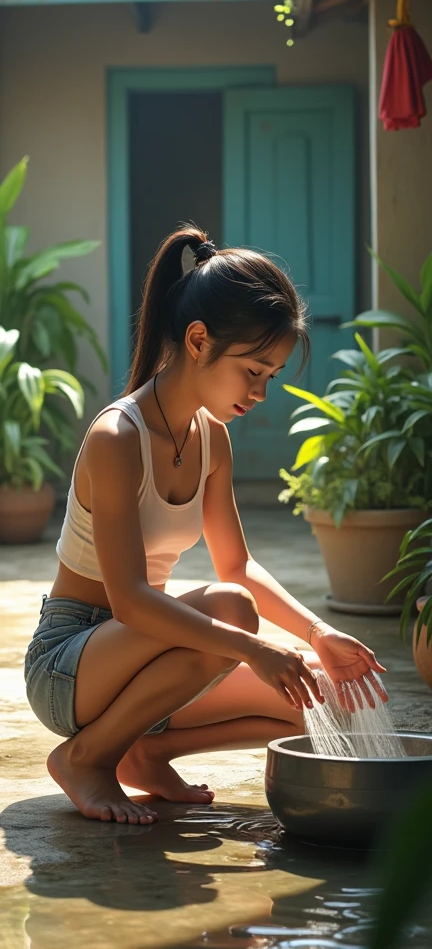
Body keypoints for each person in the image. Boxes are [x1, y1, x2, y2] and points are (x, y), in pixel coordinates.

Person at [24, 226, 387, 826]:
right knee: (234, 611)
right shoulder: (117, 437)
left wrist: (318, 634)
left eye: (269, 376)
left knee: (329, 698)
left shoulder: (211, 439)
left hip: (154, 671)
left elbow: (238, 565)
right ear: (198, 341)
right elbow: (133, 603)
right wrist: (256, 649)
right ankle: (86, 756)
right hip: (71, 664)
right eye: (252, 371)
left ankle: (146, 751)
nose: (261, 393)